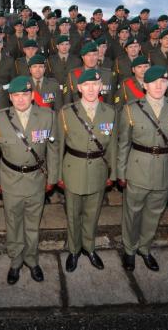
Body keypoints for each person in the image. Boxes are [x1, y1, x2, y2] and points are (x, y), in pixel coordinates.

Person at [0, 76, 59, 284]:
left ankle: (32, 259)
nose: (20, 99)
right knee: (13, 223)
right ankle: (16, 261)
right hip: (10, 179)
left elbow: (53, 149)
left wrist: (52, 178)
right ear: (10, 97)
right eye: (16, 95)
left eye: (25, 94)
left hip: (37, 179)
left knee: (33, 224)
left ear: (32, 96)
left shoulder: (48, 116)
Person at [116, 65, 168, 272]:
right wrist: (121, 171)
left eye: (163, 81)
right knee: (132, 213)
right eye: (154, 82)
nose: (159, 86)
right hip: (138, 167)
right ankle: (129, 249)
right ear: (145, 85)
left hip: (164, 169)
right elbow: (123, 144)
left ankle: (144, 248)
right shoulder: (131, 108)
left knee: (154, 213)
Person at [58, 69, 117, 272]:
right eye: (87, 85)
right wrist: (57, 175)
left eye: (95, 84)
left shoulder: (110, 112)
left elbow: (113, 146)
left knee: (93, 213)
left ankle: (89, 247)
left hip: (99, 169)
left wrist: (114, 173)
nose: (91, 88)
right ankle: (74, 250)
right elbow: (58, 147)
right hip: (73, 167)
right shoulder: (67, 112)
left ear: (101, 87)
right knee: (73, 214)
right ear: (79, 88)